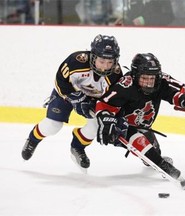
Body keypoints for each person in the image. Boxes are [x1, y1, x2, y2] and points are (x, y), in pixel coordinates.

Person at [94, 53, 185, 180]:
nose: (148, 83)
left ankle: (151, 158)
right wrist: (107, 120)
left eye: (151, 79)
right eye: (144, 78)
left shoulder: (161, 81)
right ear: (135, 76)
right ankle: (166, 168)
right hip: (124, 124)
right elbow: (104, 104)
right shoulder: (125, 86)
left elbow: (177, 92)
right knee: (147, 150)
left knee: (153, 153)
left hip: (144, 125)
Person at [21, 34, 123, 170]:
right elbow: (60, 81)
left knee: (95, 126)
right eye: (102, 61)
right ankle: (32, 140)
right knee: (53, 125)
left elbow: (112, 99)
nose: (105, 67)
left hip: (91, 100)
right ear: (93, 55)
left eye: (110, 62)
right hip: (66, 94)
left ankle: (77, 148)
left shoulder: (116, 74)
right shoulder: (76, 61)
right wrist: (76, 99)